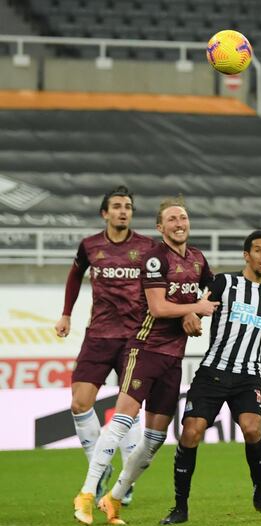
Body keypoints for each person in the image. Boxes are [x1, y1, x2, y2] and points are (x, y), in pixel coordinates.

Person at [73, 195, 219, 526]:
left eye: (183, 217)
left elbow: (215, 288)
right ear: (159, 227)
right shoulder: (155, 259)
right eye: (171, 219)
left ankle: (114, 498)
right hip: (146, 349)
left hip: (174, 357)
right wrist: (193, 310)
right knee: (124, 416)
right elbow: (158, 307)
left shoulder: (197, 258)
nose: (179, 223)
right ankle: (86, 492)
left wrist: (259, 284)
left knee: (155, 439)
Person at [159, 230, 261, 525]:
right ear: (247, 255)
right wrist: (192, 316)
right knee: (191, 432)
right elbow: (199, 308)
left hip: (248, 376)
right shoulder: (225, 283)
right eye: (258, 250)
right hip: (213, 373)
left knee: (253, 429)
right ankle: (180, 507)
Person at [55, 185, 155, 505]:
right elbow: (74, 276)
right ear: (105, 213)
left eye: (128, 206)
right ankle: (99, 472)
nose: (123, 211)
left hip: (134, 338)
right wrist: (66, 315)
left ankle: (125, 482)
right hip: (98, 335)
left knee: (129, 409)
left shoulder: (148, 247)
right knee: (79, 403)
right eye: (116, 206)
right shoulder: (90, 246)